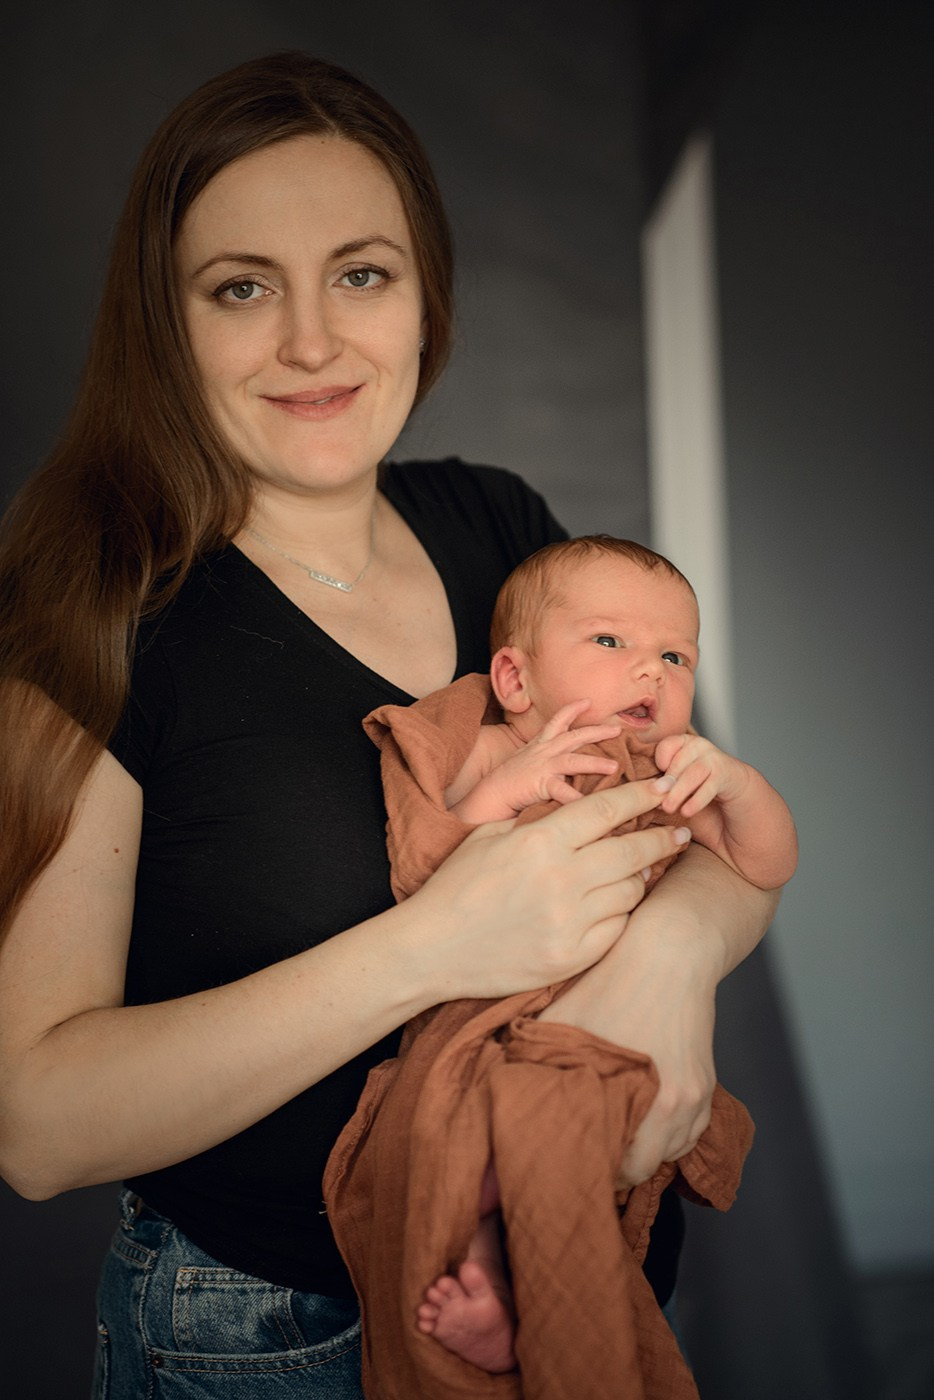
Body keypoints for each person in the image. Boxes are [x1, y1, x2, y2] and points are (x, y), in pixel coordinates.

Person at [0, 51, 778, 1400]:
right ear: (165, 322)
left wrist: (670, 960)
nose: (312, 342)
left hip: (567, 1290)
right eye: (241, 287)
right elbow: (36, 1124)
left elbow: (705, 818)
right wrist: (432, 945)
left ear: (428, 302)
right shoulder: (91, 622)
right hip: (269, 1343)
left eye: (360, 273)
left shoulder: (500, 529)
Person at [323, 535, 795, 1393]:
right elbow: (430, 863)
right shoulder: (499, 751)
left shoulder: (667, 772)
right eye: (612, 643)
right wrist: (510, 791)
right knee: (460, 1157)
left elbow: (763, 864)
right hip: (493, 1025)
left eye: (675, 655)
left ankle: (543, 1300)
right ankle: (493, 1278)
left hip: (610, 1036)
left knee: (577, 1178)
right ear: (515, 682)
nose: (649, 672)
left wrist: (738, 786)